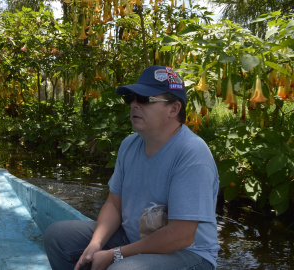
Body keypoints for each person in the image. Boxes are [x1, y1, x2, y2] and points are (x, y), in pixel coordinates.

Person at [44, 66, 219, 270]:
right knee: (57, 237)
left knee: (123, 269)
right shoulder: (129, 144)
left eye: (144, 99)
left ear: (174, 109)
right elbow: (114, 205)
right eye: (131, 98)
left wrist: (115, 255)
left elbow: (180, 236)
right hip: (132, 238)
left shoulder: (191, 153)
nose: (134, 104)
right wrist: (96, 243)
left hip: (188, 254)